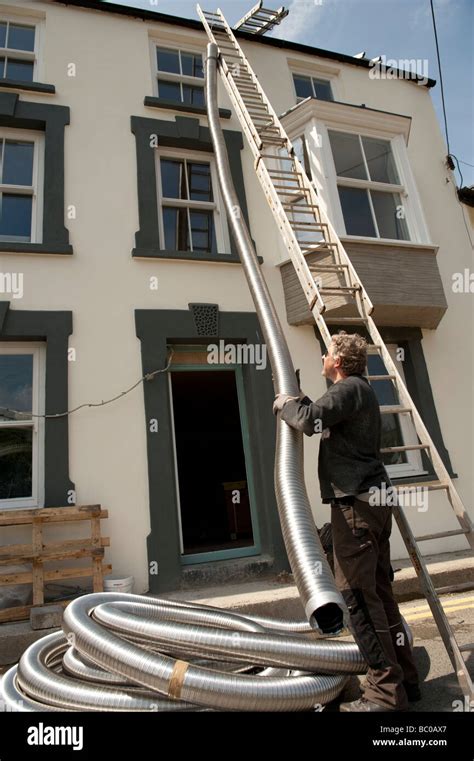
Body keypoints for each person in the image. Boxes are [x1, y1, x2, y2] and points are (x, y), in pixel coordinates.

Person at [273, 331, 420, 712]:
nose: (322, 356)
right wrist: (302, 401)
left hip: (355, 503)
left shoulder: (348, 388)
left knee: (356, 595)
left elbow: (308, 420)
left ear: (337, 361)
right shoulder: (360, 391)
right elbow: (321, 417)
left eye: (327, 353)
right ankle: (404, 680)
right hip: (374, 501)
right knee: (381, 592)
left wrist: (284, 405)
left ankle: (384, 695)